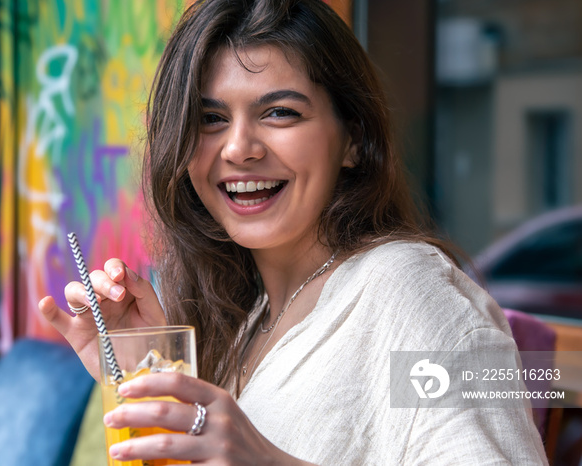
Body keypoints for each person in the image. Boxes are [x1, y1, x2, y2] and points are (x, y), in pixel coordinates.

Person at [39, 0, 548, 464]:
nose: (239, 148)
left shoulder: (415, 294)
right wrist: (148, 372)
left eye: (280, 112)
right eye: (211, 118)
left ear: (354, 140)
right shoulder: (245, 318)